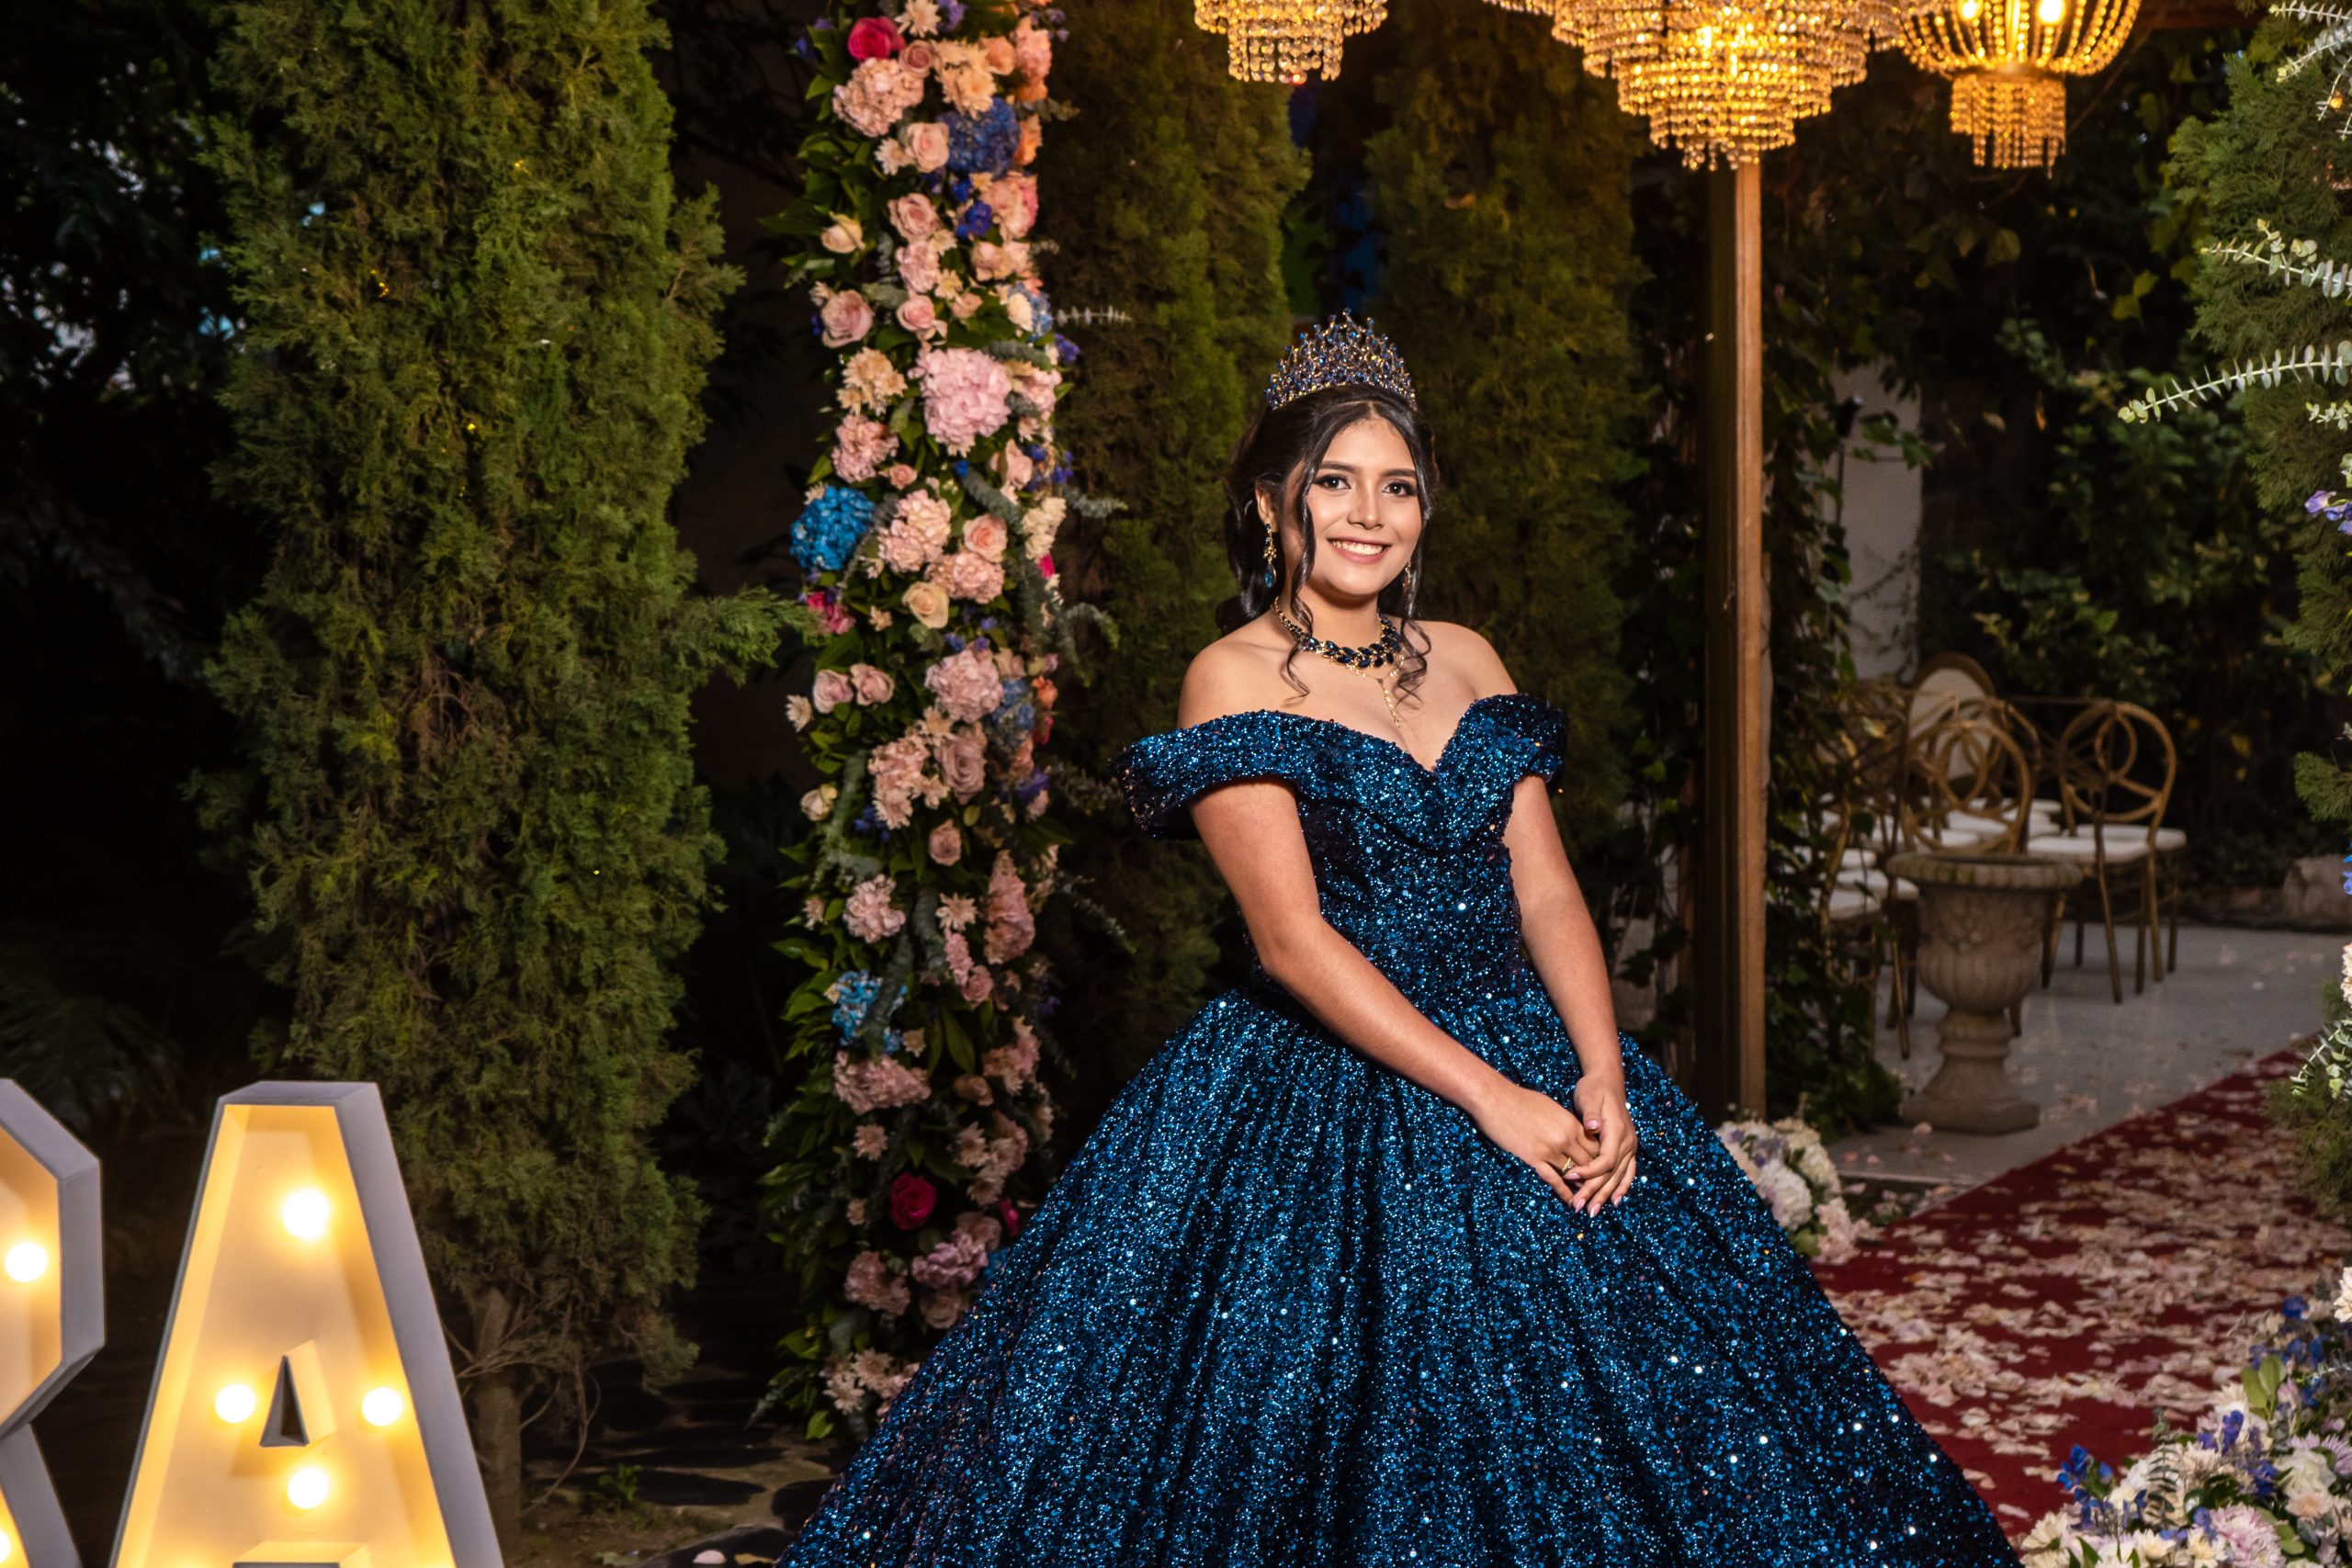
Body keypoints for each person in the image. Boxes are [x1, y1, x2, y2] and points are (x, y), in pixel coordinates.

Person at [778, 315, 2022, 1567]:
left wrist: (1600, 1068)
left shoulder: (1469, 660)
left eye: (1399, 486)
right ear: (1272, 502)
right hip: (1327, 1077)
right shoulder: (1232, 678)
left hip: (1533, 1045)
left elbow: (1547, 890)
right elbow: (1292, 941)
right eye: (1335, 482)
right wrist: (1495, 1101)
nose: (1370, 514)